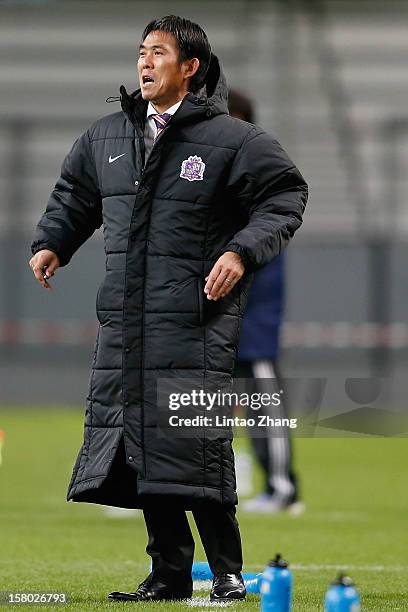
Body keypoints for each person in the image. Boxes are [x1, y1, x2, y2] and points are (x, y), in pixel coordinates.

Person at [29, 15, 308, 603]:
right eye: (140, 52)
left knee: (198, 446)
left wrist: (239, 251)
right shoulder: (106, 137)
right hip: (128, 325)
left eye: (158, 52)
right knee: (142, 445)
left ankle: (228, 573)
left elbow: (286, 194)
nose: (145, 63)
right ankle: (169, 575)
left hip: (195, 321)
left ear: (191, 68)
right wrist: (53, 241)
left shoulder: (234, 140)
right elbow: (75, 195)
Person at [228, 90, 303, 515]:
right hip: (220, 315)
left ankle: (282, 488)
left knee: (264, 409)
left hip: (253, 318)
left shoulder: (259, 169)